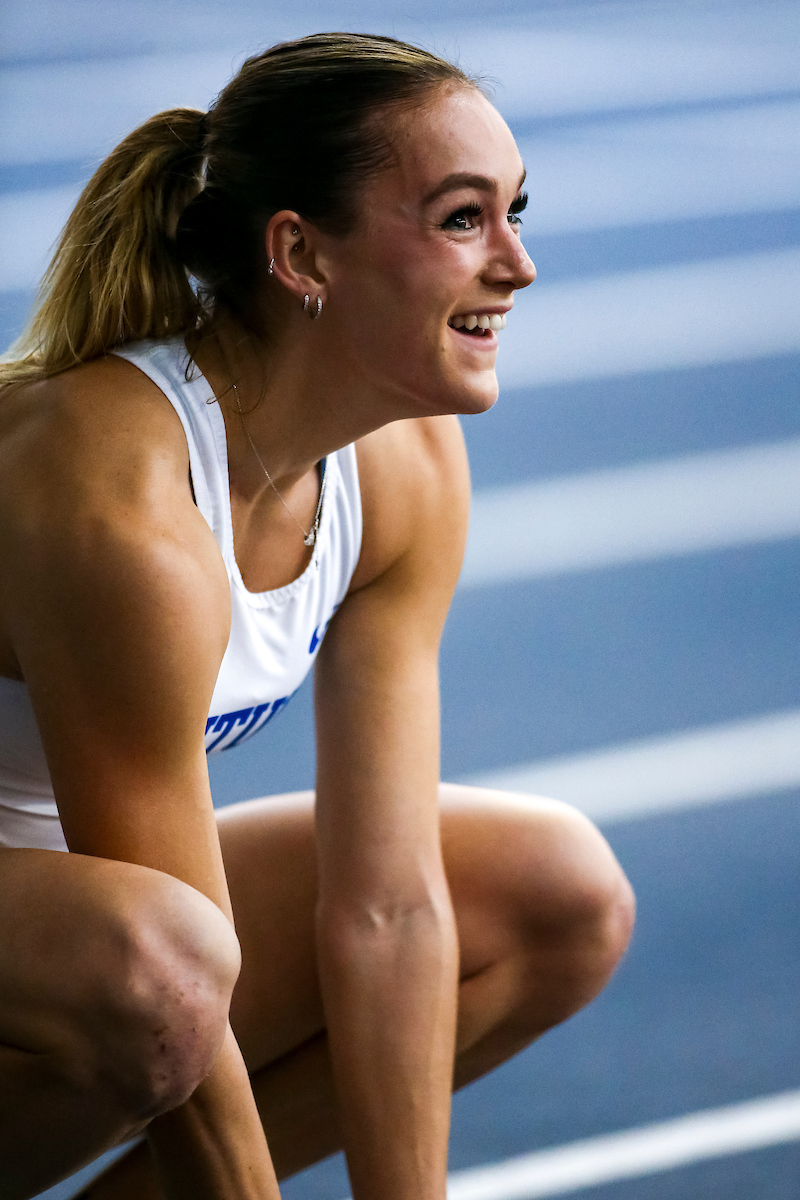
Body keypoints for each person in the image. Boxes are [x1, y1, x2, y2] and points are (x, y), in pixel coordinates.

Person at [0, 32, 635, 1200]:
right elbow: (166, 962)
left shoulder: (404, 468)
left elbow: (386, 907)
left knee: (556, 892)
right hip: (85, 938)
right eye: (460, 219)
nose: (518, 264)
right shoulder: (121, 499)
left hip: (57, 923)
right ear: (300, 252)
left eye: (515, 212)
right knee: (169, 972)